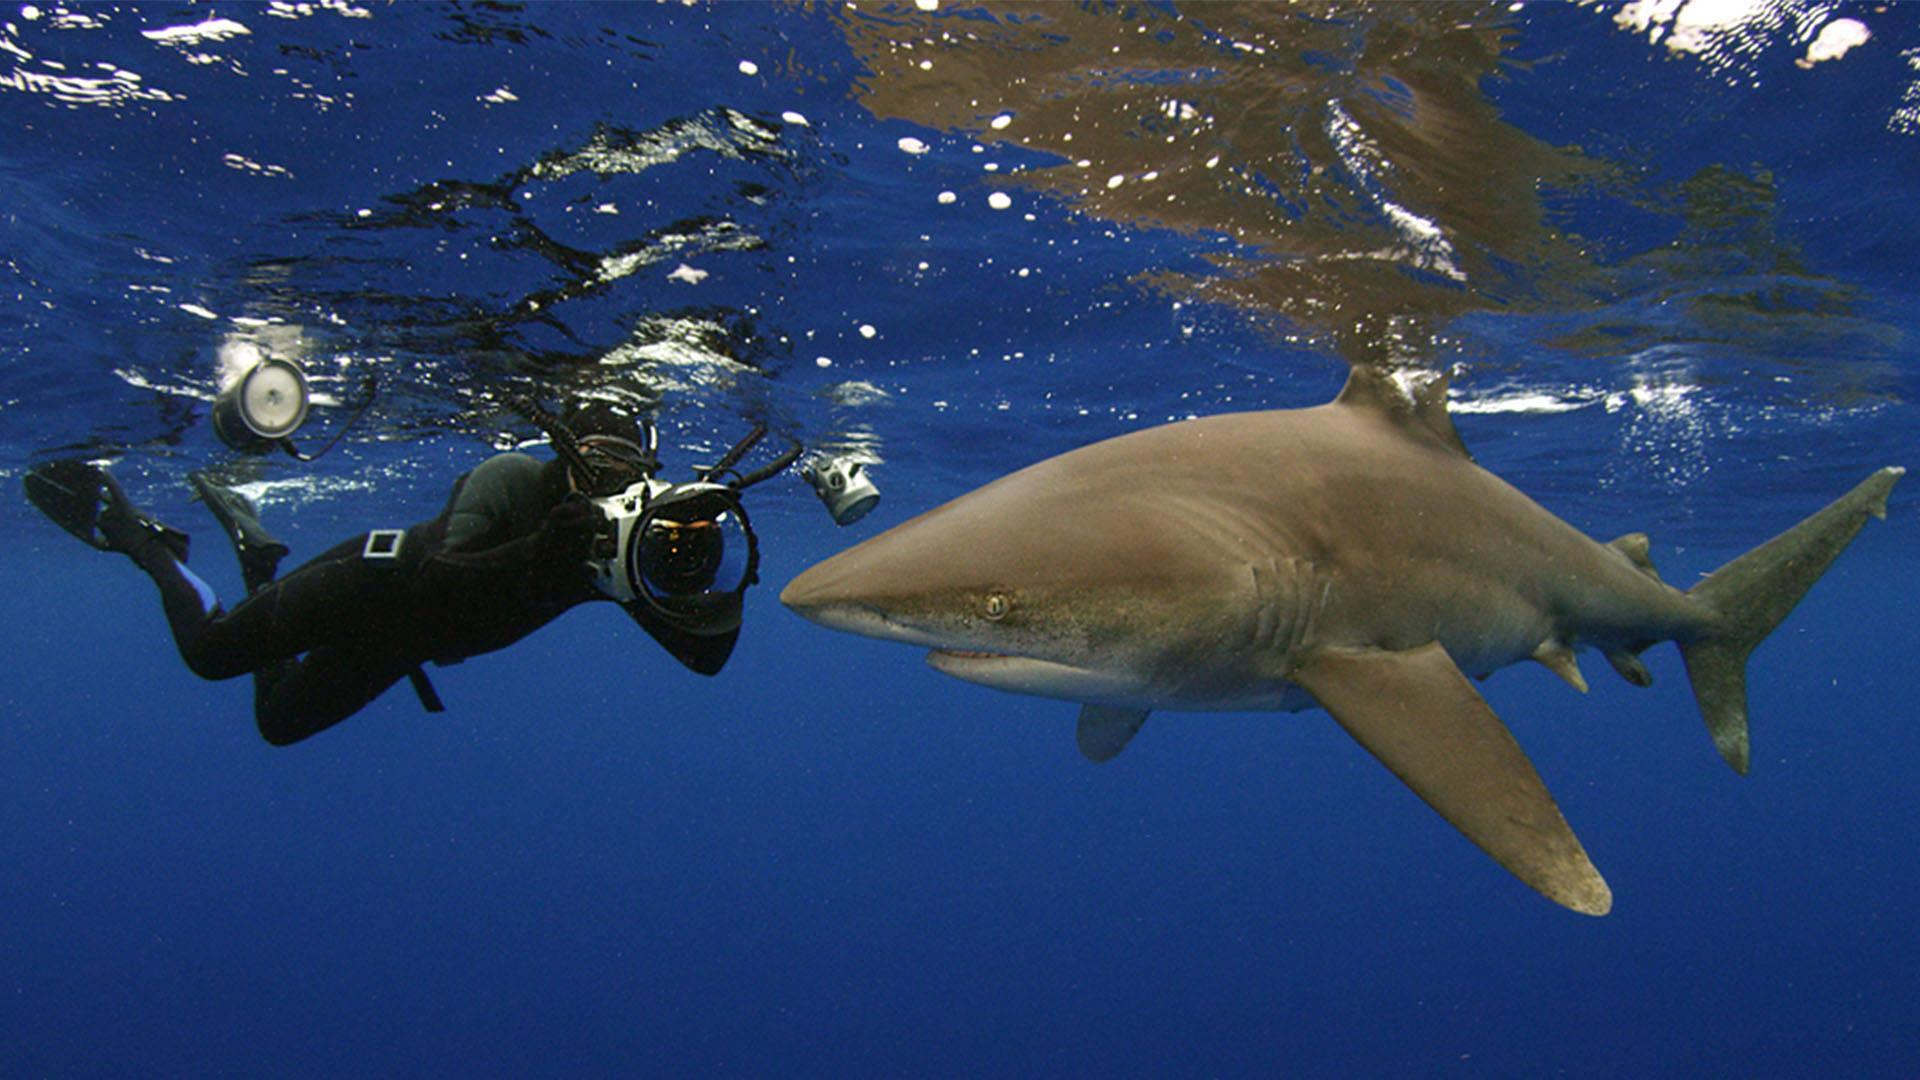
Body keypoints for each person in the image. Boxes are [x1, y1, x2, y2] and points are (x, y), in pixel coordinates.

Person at [23, 403, 788, 745]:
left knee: (278, 725)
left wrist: (694, 566)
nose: (603, 481)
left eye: (622, 470)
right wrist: (538, 551)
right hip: (372, 582)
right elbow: (439, 578)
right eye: (590, 461)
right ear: (563, 452)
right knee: (212, 656)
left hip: (403, 646)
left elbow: (708, 656)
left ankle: (258, 557)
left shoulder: (620, 542)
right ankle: (145, 544)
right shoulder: (514, 480)